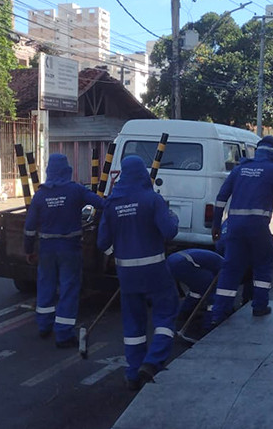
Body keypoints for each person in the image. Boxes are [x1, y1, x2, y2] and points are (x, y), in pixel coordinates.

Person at [96, 156, 180, 391]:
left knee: (133, 323)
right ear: (143, 174)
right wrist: (172, 215)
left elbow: (102, 242)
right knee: (166, 313)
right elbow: (170, 231)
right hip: (155, 271)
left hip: (127, 274)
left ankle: (133, 373)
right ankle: (152, 363)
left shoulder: (112, 204)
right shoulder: (152, 199)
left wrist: (118, 251)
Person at [210, 135, 273, 324]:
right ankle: (259, 306)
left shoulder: (240, 169)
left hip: (234, 228)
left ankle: (218, 314)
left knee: (230, 268)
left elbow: (221, 198)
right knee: (263, 264)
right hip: (258, 227)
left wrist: (216, 224)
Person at [24, 153, 104, 348]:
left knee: (46, 286)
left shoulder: (40, 195)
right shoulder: (75, 190)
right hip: (70, 248)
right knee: (68, 288)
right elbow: (101, 203)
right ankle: (64, 334)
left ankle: (44, 325)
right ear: (67, 170)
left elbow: (29, 226)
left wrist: (28, 249)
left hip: (47, 249)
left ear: (48, 171)